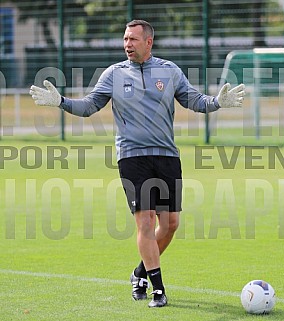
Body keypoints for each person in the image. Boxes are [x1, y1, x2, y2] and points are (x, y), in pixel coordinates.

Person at [29, 19, 245, 308]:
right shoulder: (113, 74)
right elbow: (90, 106)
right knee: (145, 221)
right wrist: (62, 101)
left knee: (170, 225)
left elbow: (195, 101)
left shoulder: (170, 71)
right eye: (125, 39)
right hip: (132, 157)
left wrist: (218, 102)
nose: (127, 44)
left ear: (148, 42)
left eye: (133, 39)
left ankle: (140, 273)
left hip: (167, 156)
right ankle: (158, 290)